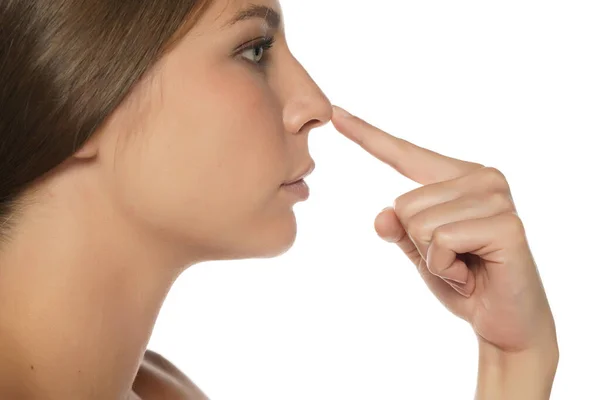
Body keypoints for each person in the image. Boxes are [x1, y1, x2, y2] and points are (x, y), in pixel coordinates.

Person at [0, 0, 558, 399]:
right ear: (79, 89)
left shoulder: (161, 392)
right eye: (254, 49)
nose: (313, 103)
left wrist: (515, 364)